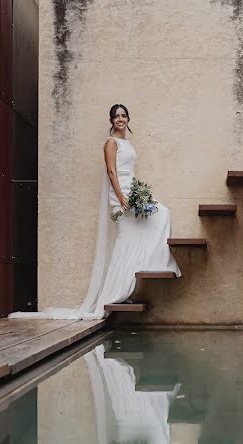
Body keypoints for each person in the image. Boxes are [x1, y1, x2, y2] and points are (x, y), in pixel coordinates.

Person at [10, 104, 181, 320]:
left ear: (128, 119)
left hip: (133, 190)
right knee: (125, 238)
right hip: (121, 194)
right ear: (111, 121)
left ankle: (136, 276)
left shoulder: (128, 143)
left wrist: (138, 193)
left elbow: (130, 170)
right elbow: (111, 171)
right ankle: (115, 293)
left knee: (160, 214)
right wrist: (121, 198)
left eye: (123, 115)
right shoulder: (111, 143)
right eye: (116, 116)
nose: (120, 119)